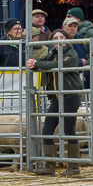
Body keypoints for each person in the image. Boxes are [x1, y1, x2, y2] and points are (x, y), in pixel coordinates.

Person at [27, 28, 83, 176]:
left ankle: (73, 167)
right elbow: (43, 64)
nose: (58, 40)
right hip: (57, 97)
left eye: (61, 37)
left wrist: (37, 62)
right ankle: (49, 166)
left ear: (66, 40)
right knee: (47, 130)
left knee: (69, 130)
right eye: (55, 38)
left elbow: (57, 65)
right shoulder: (51, 54)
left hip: (70, 96)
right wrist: (34, 63)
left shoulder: (71, 54)